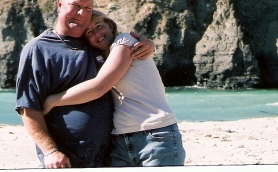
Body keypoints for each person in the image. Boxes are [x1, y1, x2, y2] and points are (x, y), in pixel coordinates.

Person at [15, 0, 155, 168]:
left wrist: (146, 43)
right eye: (75, 6)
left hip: (110, 157)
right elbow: (27, 107)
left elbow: (122, 47)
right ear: (59, 4)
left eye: (87, 8)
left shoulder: (94, 43)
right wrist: (50, 151)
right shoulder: (38, 50)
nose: (81, 14)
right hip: (64, 160)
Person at [43, 10, 186, 167]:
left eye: (99, 26)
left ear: (110, 26)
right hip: (120, 142)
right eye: (89, 32)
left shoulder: (124, 41)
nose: (97, 34)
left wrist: (52, 101)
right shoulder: (99, 59)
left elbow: (100, 86)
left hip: (156, 135)